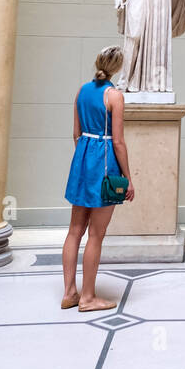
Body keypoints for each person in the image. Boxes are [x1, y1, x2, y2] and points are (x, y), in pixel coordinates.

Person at [61, 45, 136, 312]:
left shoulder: (82, 91)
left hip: (81, 160)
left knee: (74, 231)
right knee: (96, 234)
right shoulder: (114, 96)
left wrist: (84, 160)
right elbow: (118, 142)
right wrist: (127, 177)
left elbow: (75, 133)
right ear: (118, 68)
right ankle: (88, 298)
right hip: (104, 163)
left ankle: (70, 293)